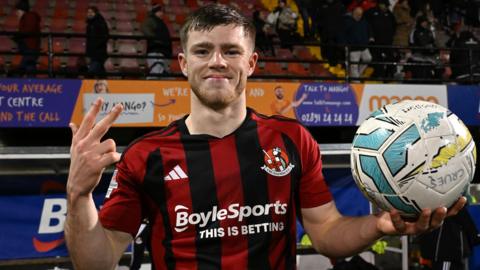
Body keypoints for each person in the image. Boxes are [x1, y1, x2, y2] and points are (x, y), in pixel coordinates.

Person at [65, 4, 466, 270]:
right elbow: (95, 262)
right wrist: (79, 196)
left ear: (252, 62)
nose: (217, 61)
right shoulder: (146, 154)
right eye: (203, 51)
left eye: (231, 51)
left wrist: (378, 226)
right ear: (184, 63)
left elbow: (326, 234)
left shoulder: (291, 139)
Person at [141, 4, 172, 79]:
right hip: (156, 50)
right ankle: (149, 88)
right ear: (155, 12)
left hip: (163, 51)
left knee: (161, 72)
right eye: (160, 11)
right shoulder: (151, 20)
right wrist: (157, 40)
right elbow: (145, 29)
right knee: (156, 70)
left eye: (162, 11)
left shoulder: (160, 22)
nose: (162, 13)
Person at [344, 6, 373, 80]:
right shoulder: (347, 21)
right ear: (353, 13)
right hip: (353, 47)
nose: (358, 16)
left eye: (360, 14)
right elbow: (342, 33)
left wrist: (370, 36)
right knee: (354, 65)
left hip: (363, 46)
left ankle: (357, 75)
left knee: (368, 58)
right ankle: (355, 81)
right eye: (357, 14)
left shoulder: (364, 21)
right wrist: (346, 44)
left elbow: (369, 29)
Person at [13, 0, 41, 75]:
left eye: (17, 11)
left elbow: (28, 29)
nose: (16, 13)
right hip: (30, 48)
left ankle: (16, 81)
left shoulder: (29, 16)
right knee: (29, 67)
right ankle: (32, 83)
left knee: (23, 68)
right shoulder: (28, 17)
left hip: (30, 48)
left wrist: (18, 35)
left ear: (21, 10)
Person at [86, 6, 109, 76]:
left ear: (96, 13)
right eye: (88, 12)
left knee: (90, 73)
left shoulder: (100, 23)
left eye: (91, 12)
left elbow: (104, 37)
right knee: (101, 72)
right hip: (94, 53)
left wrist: (95, 46)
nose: (89, 14)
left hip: (98, 53)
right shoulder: (90, 24)